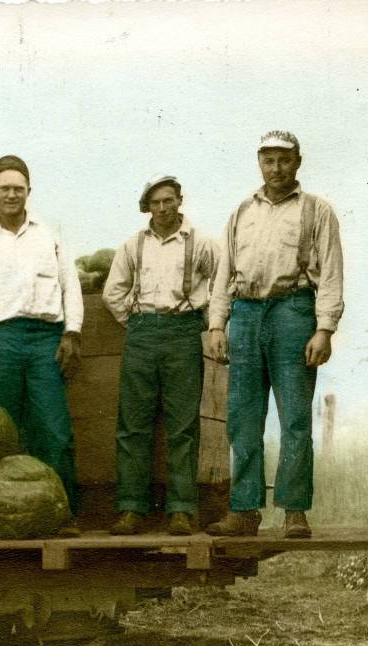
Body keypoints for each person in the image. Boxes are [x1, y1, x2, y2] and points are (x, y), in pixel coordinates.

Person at [206, 131, 344, 539]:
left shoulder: (317, 211)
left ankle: (294, 511)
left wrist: (324, 328)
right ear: (259, 162)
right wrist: (217, 324)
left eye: (285, 159)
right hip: (245, 314)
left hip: (293, 311)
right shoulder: (241, 211)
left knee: (296, 418)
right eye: (269, 159)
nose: (276, 167)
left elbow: (332, 273)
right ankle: (244, 511)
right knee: (243, 418)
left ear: (298, 162)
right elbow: (223, 272)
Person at [0, 155, 84, 535]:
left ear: (29, 191)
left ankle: (63, 515)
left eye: (18, 188)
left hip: (45, 338)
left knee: (54, 427)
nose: (11, 194)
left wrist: (72, 332)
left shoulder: (49, 232)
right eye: (4, 188)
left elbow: (70, 284)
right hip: (1, 339)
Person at [102, 174, 218, 536]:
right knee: (133, 424)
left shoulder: (201, 243)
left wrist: (206, 321)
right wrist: (135, 324)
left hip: (183, 332)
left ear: (179, 201)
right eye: (155, 203)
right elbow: (112, 292)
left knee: (182, 424)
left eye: (169, 200)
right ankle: (131, 509)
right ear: (146, 207)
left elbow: (222, 283)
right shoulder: (133, 246)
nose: (163, 208)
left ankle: (181, 509)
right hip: (141, 333)